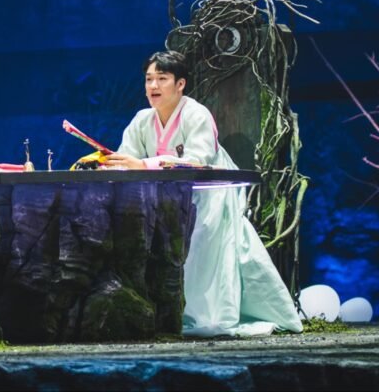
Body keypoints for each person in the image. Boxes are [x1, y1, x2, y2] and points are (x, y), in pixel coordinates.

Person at [103, 50, 302, 336]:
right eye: (148, 79)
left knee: (203, 245)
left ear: (180, 84)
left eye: (162, 78)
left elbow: (199, 160)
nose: (153, 86)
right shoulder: (142, 119)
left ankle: (202, 315)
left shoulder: (196, 114)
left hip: (209, 193)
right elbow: (128, 156)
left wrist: (145, 164)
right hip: (168, 196)